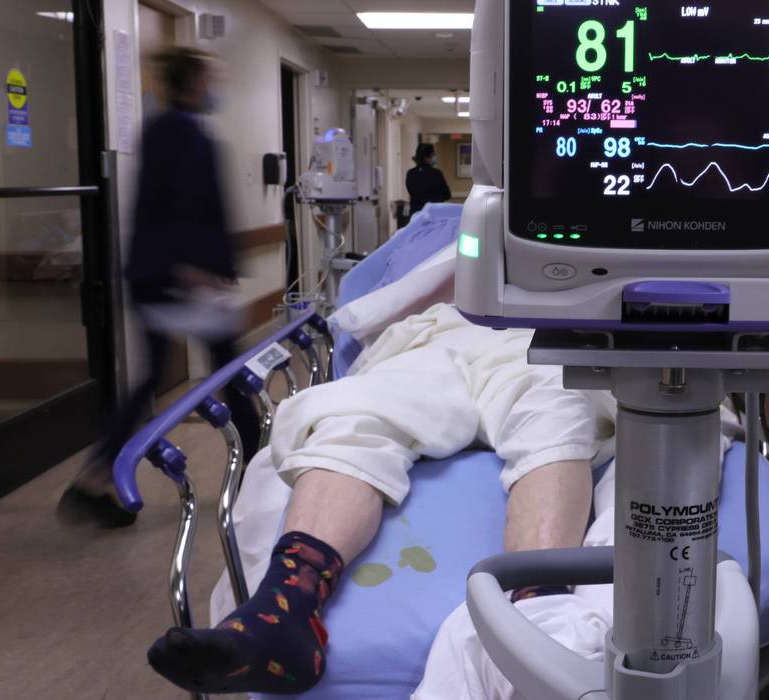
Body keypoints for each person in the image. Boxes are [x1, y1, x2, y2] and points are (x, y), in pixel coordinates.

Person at [146, 303, 615, 695]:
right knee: (352, 415)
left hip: (544, 338)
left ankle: (535, 613)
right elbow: (371, 304)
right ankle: (286, 607)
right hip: (435, 336)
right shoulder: (438, 242)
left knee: (558, 408)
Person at [58, 48, 260, 528]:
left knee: (157, 377)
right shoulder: (185, 137)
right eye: (208, 78)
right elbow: (185, 208)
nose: (213, 88)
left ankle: (93, 479)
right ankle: (259, 472)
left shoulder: (157, 130)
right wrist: (198, 270)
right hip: (178, 278)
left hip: (157, 274)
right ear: (191, 84)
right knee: (228, 370)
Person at [406, 143, 452, 214]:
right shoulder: (436, 173)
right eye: (433, 154)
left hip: (416, 214)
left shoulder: (410, 174)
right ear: (426, 157)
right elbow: (447, 194)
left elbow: (412, 193)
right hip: (434, 213)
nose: (435, 157)